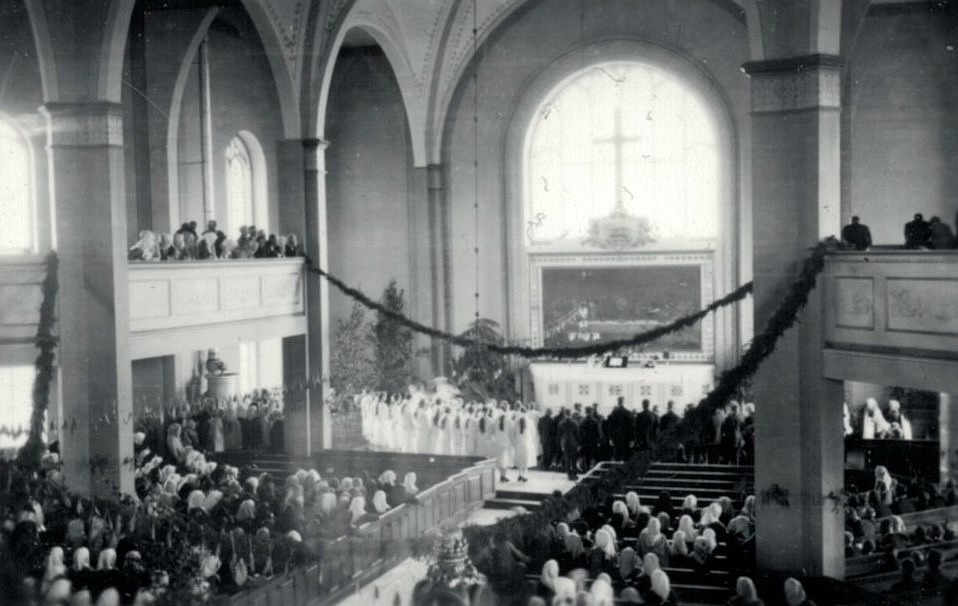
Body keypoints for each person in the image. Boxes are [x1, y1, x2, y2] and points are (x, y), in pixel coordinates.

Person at [607, 397, 634, 461]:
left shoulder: (614, 413)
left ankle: (617, 470)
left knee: (617, 457)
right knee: (626, 457)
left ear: (618, 402)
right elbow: (631, 427)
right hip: (626, 438)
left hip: (616, 438)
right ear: (623, 402)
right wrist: (632, 439)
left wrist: (610, 438)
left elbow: (610, 427)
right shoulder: (628, 412)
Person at [557, 411, 580, 480]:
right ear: (570, 415)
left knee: (567, 460)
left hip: (565, 442)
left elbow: (559, 435)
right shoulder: (575, 423)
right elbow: (577, 434)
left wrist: (561, 444)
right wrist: (578, 444)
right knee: (574, 459)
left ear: (565, 415)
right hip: (573, 442)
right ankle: (574, 474)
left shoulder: (561, 423)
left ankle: (569, 474)